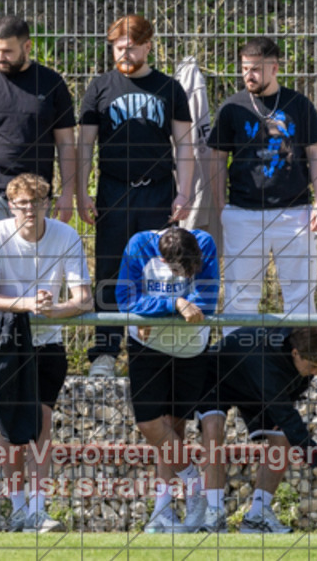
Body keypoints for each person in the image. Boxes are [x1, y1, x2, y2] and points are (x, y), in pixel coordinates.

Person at [77, 14, 194, 378]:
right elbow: (84, 145)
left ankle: (153, 346)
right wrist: (81, 191)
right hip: (113, 190)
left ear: (148, 45)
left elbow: (185, 144)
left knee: (159, 269)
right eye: (117, 47)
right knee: (110, 269)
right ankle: (105, 353)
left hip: (158, 192)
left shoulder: (170, 89)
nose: (123, 53)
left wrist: (185, 191)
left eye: (130, 47)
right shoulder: (100, 86)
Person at [0, 173, 92, 533]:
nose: (29, 209)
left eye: (36, 202)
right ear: (11, 206)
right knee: (11, 431)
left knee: (42, 424)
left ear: (46, 203)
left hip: (48, 344)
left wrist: (57, 310)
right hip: (7, 343)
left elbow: (83, 298)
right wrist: (26, 304)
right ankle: (17, 509)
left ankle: (38, 509)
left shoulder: (66, 235)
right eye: (21, 203)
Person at [206, 38, 317, 334]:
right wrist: (222, 206)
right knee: (241, 295)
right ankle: (236, 363)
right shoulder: (232, 108)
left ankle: (302, 362)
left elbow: (316, 155)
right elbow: (216, 160)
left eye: (256, 69)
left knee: (300, 295)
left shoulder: (298, 105)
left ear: (274, 68)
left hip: (294, 212)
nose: (249, 75)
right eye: (245, 68)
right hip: (243, 213)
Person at [0, 15, 76, 307]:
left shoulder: (51, 83)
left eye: (7, 51)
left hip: (34, 197)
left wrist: (68, 193)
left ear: (27, 47)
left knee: (32, 275)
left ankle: (30, 345)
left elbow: (67, 143)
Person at [116, 226, 218, 533]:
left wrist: (156, 313)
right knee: (149, 423)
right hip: (147, 347)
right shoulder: (138, 245)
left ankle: (162, 511)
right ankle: (194, 485)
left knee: (174, 429)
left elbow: (207, 301)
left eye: (190, 270)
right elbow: (124, 299)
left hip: (190, 349)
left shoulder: (204, 242)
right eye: (177, 270)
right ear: (161, 257)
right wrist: (173, 304)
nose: (184, 275)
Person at [196, 326, 317, 534]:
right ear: (295, 353)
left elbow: (285, 412)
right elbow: (288, 417)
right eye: (312, 366)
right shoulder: (268, 365)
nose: (315, 373)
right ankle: (214, 513)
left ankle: (257, 515)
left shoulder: (302, 356)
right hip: (217, 378)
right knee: (213, 429)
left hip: (256, 388)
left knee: (282, 439)